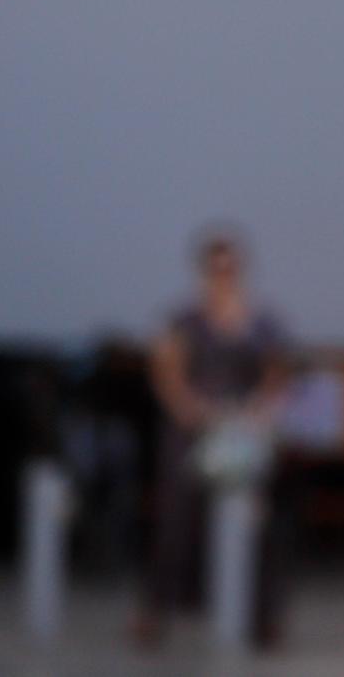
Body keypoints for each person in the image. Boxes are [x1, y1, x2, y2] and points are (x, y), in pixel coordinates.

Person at [133, 225, 292, 650]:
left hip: (241, 430)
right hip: (193, 429)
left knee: (257, 520)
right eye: (215, 269)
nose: (223, 277)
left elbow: (276, 375)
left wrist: (256, 412)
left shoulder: (260, 320)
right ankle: (157, 609)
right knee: (176, 522)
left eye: (230, 269)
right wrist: (190, 409)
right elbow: (166, 370)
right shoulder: (184, 318)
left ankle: (264, 617)